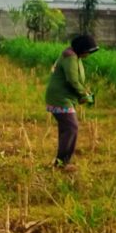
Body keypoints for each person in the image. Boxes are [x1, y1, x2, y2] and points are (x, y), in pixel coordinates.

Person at [44, 34, 98, 172]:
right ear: (81, 49)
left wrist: (83, 92)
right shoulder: (70, 57)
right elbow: (72, 80)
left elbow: (76, 80)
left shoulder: (74, 56)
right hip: (60, 99)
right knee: (71, 128)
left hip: (63, 98)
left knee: (66, 129)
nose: (88, 54)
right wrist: (84, 94)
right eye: (88, 51)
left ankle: (61, 162)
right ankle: (62, 163)